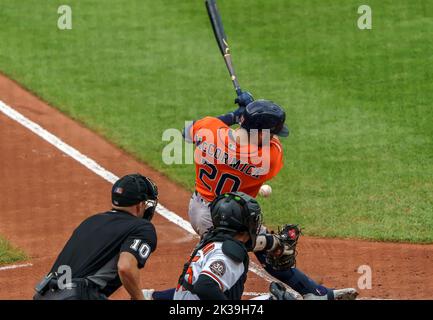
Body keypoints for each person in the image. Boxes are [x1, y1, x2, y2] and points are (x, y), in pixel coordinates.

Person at [178, 92, 358, 300]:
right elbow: (265, 142)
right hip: (226, 218)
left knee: (269, 253)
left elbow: (187, 132)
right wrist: (248, 115)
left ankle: (316, 294)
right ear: (262, 134)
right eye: (272, 134)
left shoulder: (210, 129)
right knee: (221, 272)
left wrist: (235, 116)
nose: (274, 138)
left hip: (204, 210)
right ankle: (156, 297)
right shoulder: (266, 160)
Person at [33, 173, 159, 300]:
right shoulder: (141, 227)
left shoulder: (91, 221)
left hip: (44, 294)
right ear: (140, 205)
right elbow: (125, 267)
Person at [174, 192, 295, 300]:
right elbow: (205, 286)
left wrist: (272, 242)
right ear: (245, 226)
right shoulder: (228, 255)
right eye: (253, 220)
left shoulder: (211, 240)